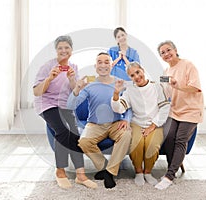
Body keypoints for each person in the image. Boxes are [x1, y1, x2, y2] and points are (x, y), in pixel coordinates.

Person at [33, 35, 97, 189]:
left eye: (66, 47)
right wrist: (49, 78)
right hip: (47, 104)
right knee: (63, 130)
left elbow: (74, 91)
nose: (63, 50)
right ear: (56, 51)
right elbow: (36, 92)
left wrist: (73, 80)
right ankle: (60, 172)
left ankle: (80, 175)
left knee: (75, 133)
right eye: (60, 48)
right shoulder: (47, 66)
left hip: (64, 105)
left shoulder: (73, 67)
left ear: (71, 51)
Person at [67, 52, 132, 189]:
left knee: (126, 135)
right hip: (95, 125)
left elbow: (128, 104)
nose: (103, 65)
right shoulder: (89, 84)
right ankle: (104, 167)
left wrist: (126, 119)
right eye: (100, 62)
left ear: (111, 65)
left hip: (116, 123)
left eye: (106, 62)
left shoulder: (119, 82)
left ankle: (109, 173)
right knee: (84, 141)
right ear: (95, 66)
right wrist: (77, 88)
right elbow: (70, 105)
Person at [111, 61, 170, 186]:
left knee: (152, 145)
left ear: (142, 70)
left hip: (155, 123)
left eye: (138, 72)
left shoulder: (156, 87)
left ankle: (148, 172)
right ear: (130, 78)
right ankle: (138, 172)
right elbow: (119, 108)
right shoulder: (129, 90)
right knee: (136, 144)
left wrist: (153, 125)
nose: (136, 77)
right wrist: (116, 94)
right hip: (137, 123)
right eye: (132, 75)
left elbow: (165, 107)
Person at [155, 40, 204, 190]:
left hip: (190, 110)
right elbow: (163, 85)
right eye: (162, 53)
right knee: (169, 138)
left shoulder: (188, 65)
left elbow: (195, 88)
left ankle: (169, 175)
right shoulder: (166, 72)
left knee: (180, 140)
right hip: (175, 110)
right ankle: (173, 168)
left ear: (175, 50)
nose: (166, 54)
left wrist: (178, 86)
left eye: (168, 50)